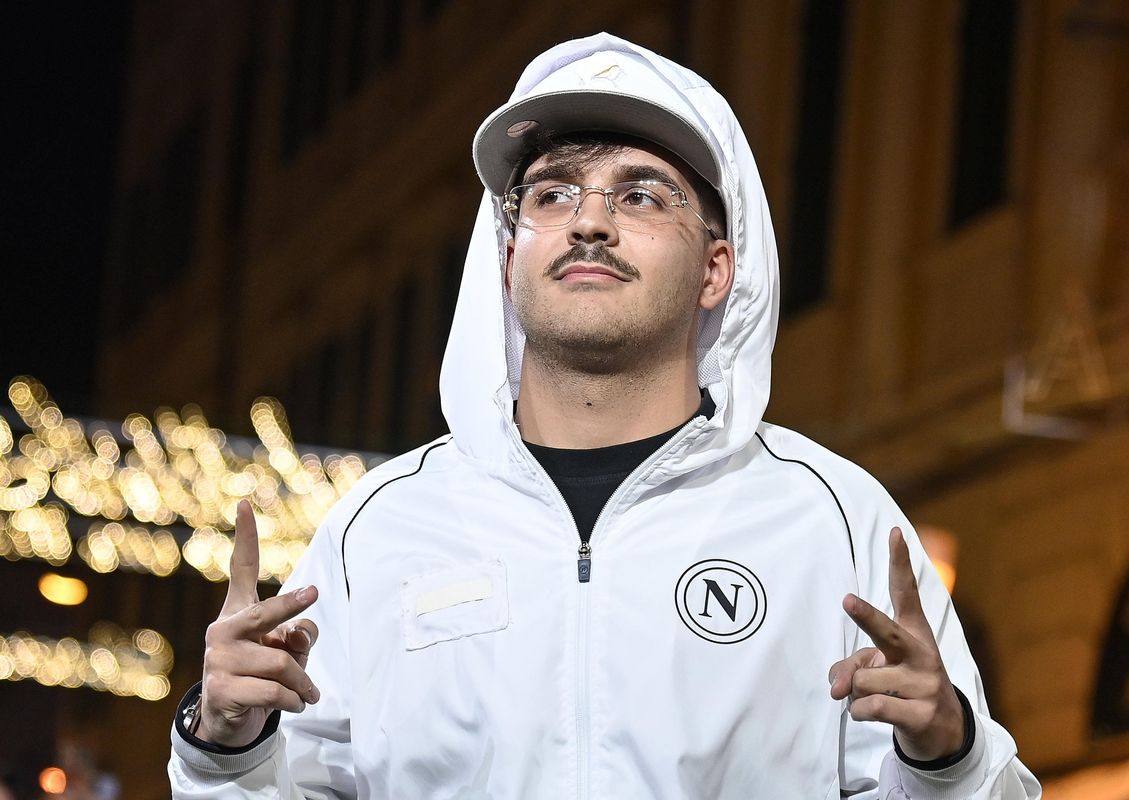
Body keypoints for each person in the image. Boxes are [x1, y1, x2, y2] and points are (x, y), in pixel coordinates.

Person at [168, 33, 1042, 798]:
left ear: (716, 270)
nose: (589, 221)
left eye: (641, 195)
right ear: (507, 259)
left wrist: (950, 757)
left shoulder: (832, 520)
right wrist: (224, 748)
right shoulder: (381, 526)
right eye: (552, 194)